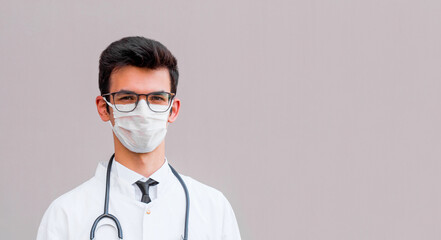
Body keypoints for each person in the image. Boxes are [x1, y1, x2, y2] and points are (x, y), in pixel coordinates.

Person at [36, 36, 241, 240]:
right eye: (127, 98)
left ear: (173, 109)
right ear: (103, 108)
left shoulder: (213, 210)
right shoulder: (66, 216)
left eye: (157, 98)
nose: (143, 111)